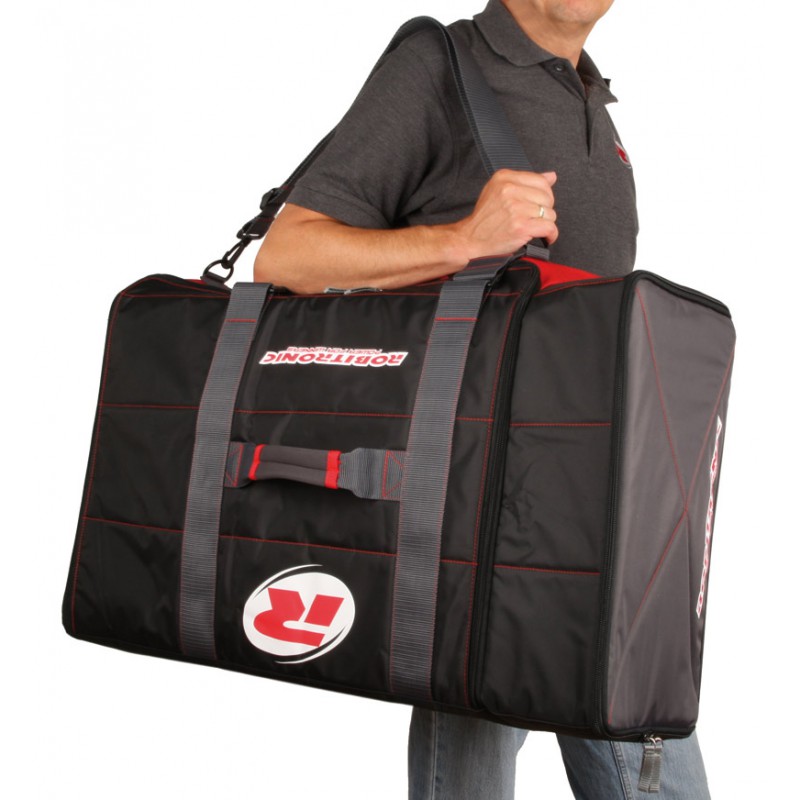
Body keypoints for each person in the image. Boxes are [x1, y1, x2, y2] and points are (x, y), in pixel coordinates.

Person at [254, 1, 711, 797]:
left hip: (593, 506)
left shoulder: (593, 102)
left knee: (643, 746)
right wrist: (463, 239)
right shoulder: (438, 66)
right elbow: (286, 255)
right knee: (481, 749)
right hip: (479, 506)